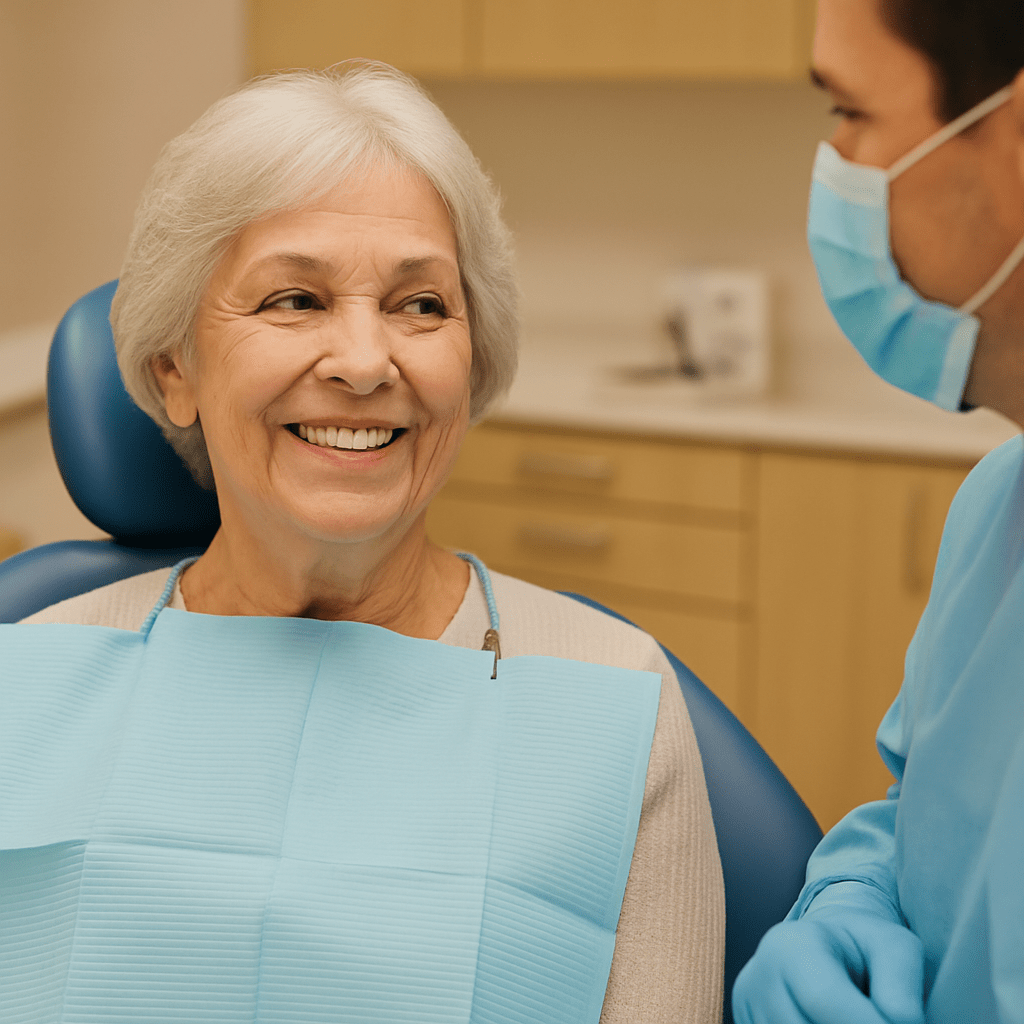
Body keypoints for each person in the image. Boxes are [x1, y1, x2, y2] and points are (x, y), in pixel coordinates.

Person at [0, 64, 724, 1023]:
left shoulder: (616, 703)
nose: (364, 361)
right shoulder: (24, 686)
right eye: (293, 300)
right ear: (176, 369)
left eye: (420, 305)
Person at [733, 0, 1024, 1022]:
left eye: (850, 112)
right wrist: (852, 895)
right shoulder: (1000, 506)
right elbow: (933, 821)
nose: (833, 164)